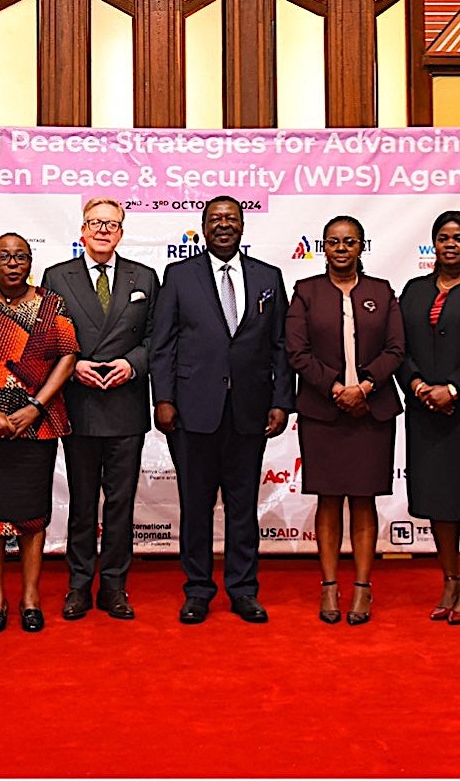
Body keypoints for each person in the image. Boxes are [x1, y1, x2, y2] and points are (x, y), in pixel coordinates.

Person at [151, 195, 294, 625]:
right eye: (215, 219)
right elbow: (163, 345)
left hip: (249, 410)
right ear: (203, 226)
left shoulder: (269, 277)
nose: (224, 225)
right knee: (194, 506)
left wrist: (281, 400)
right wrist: (164, 398)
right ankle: (197, 590)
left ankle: (243, 589)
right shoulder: (178, 275)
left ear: (243, 226)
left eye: (232, 218)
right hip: (193, 411)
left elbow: (280, 347)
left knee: (242, 505)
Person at [0, 233, 78, 633]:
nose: (12, 263)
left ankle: (29, 597)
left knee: (31, 516)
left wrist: (36, 406)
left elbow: (68, 355)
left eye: (19, 256)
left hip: (35, 426)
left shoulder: (50, 303)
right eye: (4, 256)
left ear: (30, 262)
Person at [40, 198, 159, 621]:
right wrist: (74, 367)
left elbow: (155, 339)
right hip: (81, 404)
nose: (103, 230)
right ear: (83, 230)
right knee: (83, 501)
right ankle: (78, 586)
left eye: (112, 224)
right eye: (95, 223)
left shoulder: (144, 276)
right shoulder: (57, 276)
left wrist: (133, 364)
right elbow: (48, 338)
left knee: (121, 503)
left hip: (126, 405)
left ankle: (114, 586)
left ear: (122, 232)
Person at [285, 215, 404, 625]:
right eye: (333, 242)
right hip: (323, 410)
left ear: (360, 247)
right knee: (329, 498)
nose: (341, 248)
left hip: (372, 410)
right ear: (324, 247)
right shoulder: (306, 292)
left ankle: (363, 589)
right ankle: (330, 587)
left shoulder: (382, 291)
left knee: (364, 498)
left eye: (349, 242)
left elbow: (396, 348)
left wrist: (365, 387)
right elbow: (296, 352)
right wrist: (337, 388)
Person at [398, 211, 460, 625]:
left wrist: (455, 388)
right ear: (433, 244)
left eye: (459, 238)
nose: (450, 244)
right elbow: (397, 345)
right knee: (438, 497)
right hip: (425, 410)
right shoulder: (414, 289)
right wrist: (418, 385)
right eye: (443, 237)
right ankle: (449, 578)